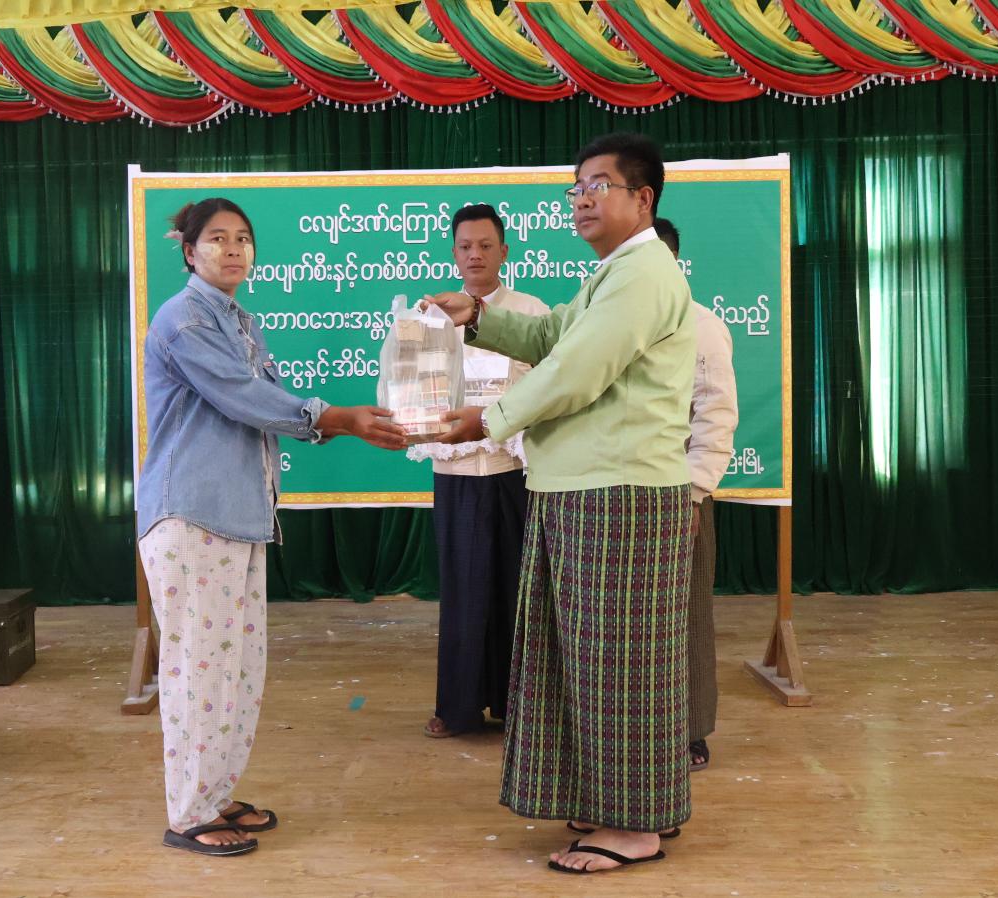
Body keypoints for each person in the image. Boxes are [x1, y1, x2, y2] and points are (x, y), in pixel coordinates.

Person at [427, 133, 697, 874]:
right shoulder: (612, 272)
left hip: (618, 491)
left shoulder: (642, 274)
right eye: (576, 186)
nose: (581, 198)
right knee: (590, 660)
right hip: (583, 487)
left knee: (619, 663)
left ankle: (635, 826)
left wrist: (489, 419)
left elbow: (575, 368)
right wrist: (475, 316)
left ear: (643, 198)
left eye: (599, 185)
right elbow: (551, 335)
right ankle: (619, 802)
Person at [137, 198, 407, 857]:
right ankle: (189, 813)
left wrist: (327, 421)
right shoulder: (182, 319)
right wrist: (337, 418)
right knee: (199, 671)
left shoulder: (240, 319)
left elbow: (265, 406)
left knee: (236, 669)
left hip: (239, 516)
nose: (233, 249)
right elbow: (244, 396)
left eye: (243, 238)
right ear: (189, 253)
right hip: (191, 513)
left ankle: (215, 793)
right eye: (216, 239)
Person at [415, 204, 549, 740]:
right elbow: (418, 386)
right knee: (463, 590)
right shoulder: (431, 316)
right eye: (466, 246)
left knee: (518, 588)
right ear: (454, 254)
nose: (475, 255)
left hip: (516, 469)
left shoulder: (531, 311)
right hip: (457, 472)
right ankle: (459, 707)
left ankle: (519, 705)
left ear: (504, 252)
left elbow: (546, 387)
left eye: (486, 246)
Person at [654, 216, 739, 772]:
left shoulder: (703, 326)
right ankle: (639, 729)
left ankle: (689, 731)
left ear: (672, 262)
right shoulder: (608, 319)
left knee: (685, 614)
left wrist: (694, 491)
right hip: (623, 486)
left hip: (681, 490)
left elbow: (715, 415)